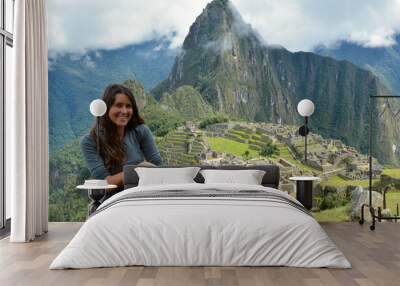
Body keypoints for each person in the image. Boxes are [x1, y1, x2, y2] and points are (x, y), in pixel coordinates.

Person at [81, 83, 162, 199]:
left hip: (142, 194)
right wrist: (140, 168)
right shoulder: (90, 142)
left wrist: (139, 171)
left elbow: (157, 166)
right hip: (112, 200)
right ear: (106, 108)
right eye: (118, 105)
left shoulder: (140, 131)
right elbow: (105, 183)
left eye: (128, 106)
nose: (124, 111)